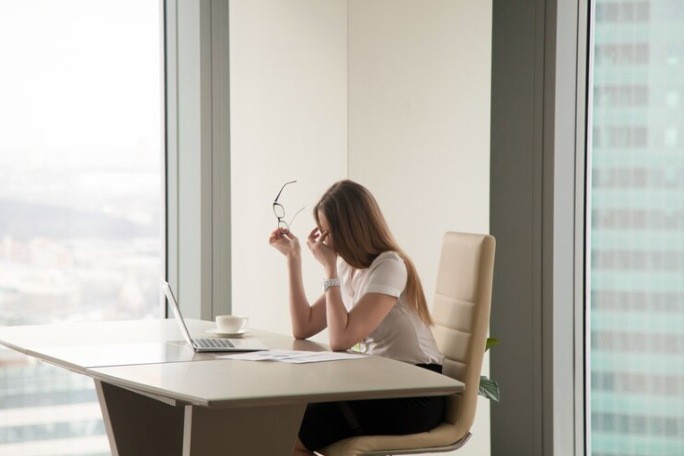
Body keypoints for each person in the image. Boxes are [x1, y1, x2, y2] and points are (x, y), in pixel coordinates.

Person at [269, 180, 445, 456]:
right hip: (380, 386)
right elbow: (303, 327)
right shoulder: (350, 269)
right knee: (283, 428)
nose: (324, 239)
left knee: (287, 436)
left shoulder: (389, 265)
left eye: (327, 231)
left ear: (350, 228)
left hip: (415, 392)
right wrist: (293, 258)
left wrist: (329, 269)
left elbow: (340, 340)